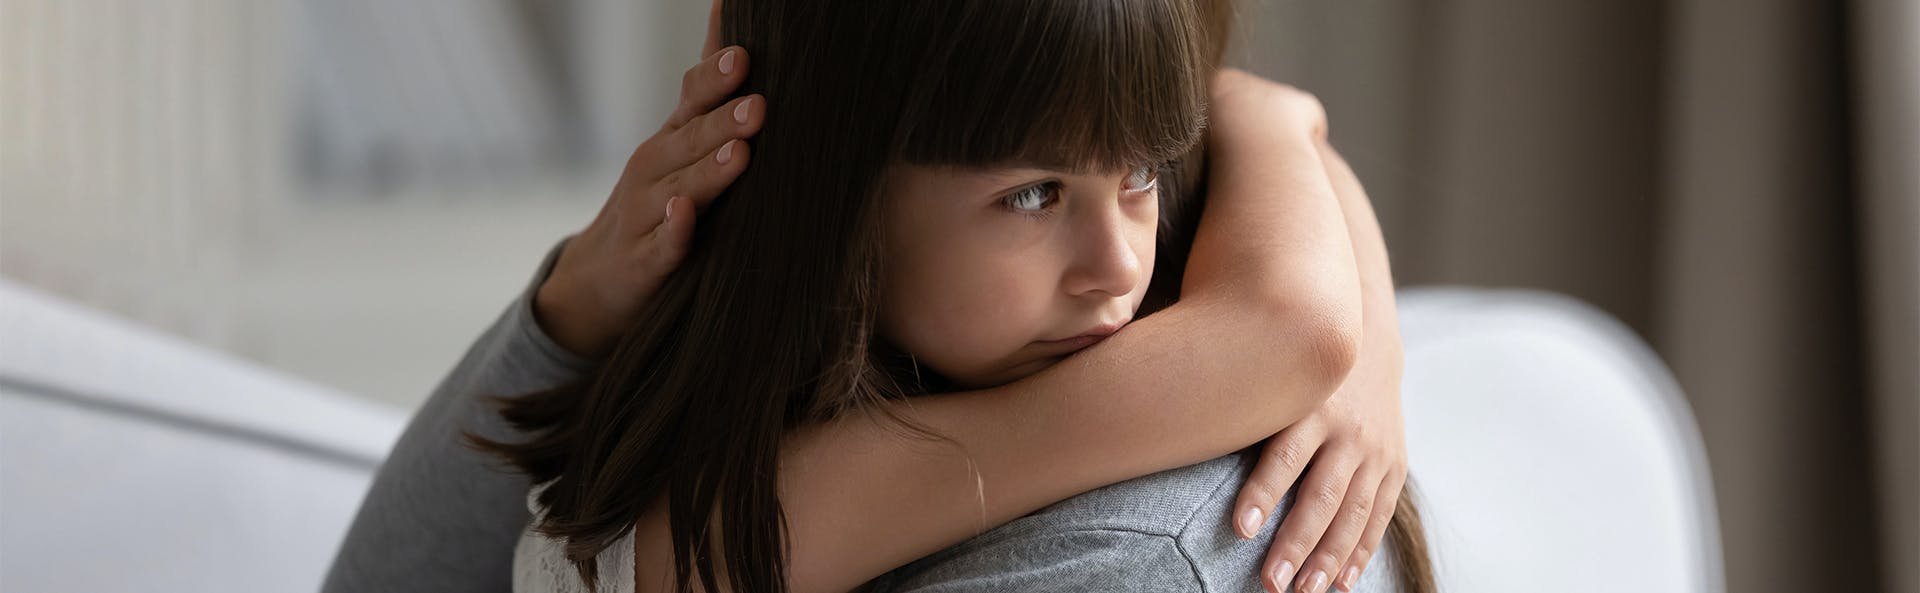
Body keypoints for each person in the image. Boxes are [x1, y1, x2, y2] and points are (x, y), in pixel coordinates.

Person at [322, 1, 1431, 593]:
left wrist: (1285, 155)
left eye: (1143, 169)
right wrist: (1281, 128)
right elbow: (1296, 329)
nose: (1118, 270)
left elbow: (1295, 332)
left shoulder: (1148, 550)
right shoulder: (764, 497)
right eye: (1033, 192)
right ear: (830, 195)